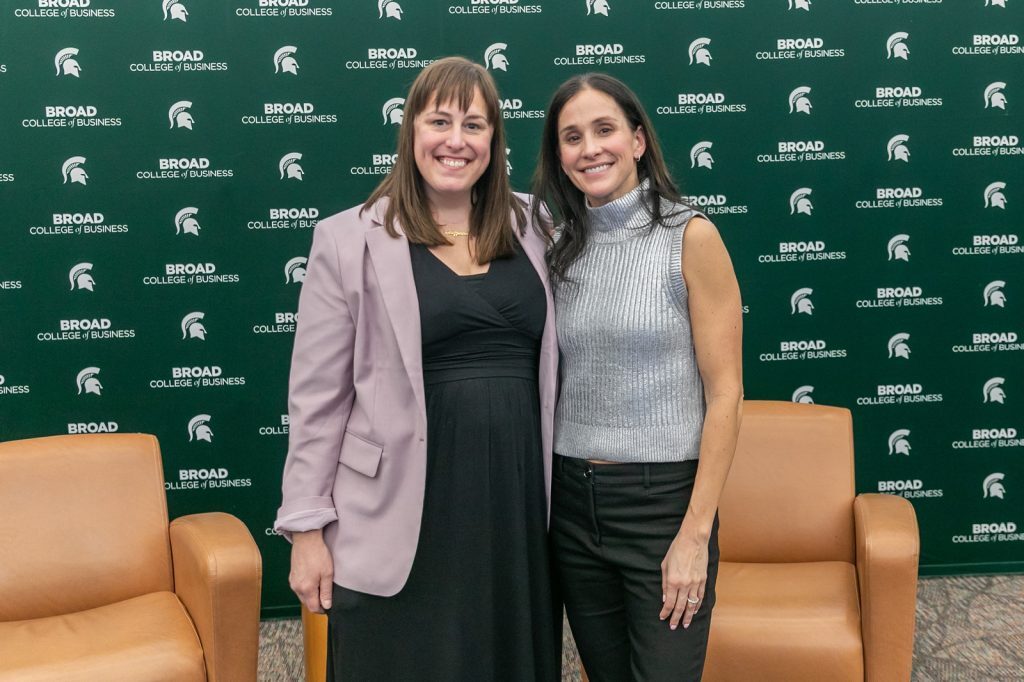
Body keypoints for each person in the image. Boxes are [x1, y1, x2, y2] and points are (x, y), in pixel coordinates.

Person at [274, 57, 560, 681]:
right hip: (399, 506)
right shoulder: (347, 239)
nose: (456, 140)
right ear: (410, 131)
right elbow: (317, 399)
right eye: (439, 121)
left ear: (494, 140)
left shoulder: (535, 225)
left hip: (514, 509)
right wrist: (306, 529)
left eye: (474, 125)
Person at [532, 73, 743, 681]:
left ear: (639, 140)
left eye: (605, 130)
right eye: (572, 137)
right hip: (572, 505)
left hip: (662, 508)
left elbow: (726, 394)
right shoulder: (556, 247)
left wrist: (694, 534)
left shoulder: (690, 236)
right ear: (559, 156)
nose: (590, 148)